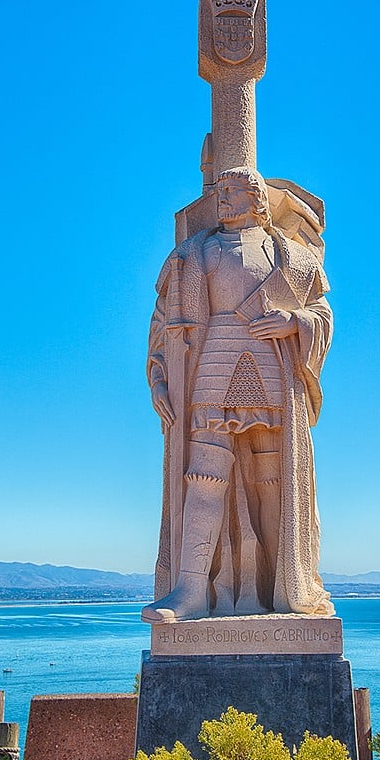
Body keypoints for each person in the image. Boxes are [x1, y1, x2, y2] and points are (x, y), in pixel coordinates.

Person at [142, 166, 334, 623]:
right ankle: (189, 590)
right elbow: (162, 322)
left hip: (271, 365)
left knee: (274, 479)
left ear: (258, 199)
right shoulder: (192, 255)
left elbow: (321, 311)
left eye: (233, 191)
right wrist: (159, 378)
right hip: (212, 360)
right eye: (221, 190)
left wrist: (296, 323)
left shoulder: (291, 257)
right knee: (204, 475)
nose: (223, 199)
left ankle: (283, 585)